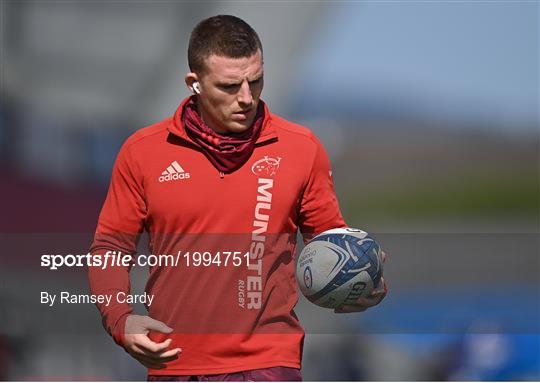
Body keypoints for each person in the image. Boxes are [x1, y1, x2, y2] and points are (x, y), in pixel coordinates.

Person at [88, 15, 387, 381]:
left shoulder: (301, 148)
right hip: (174, 365)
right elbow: (110, 247)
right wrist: (120, 318)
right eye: (230, 86)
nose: (246, 98)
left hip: (267, 364)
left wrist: (361, 280)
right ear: (194, 84)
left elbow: (332, 247)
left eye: (255, 81)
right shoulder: (142, 152)